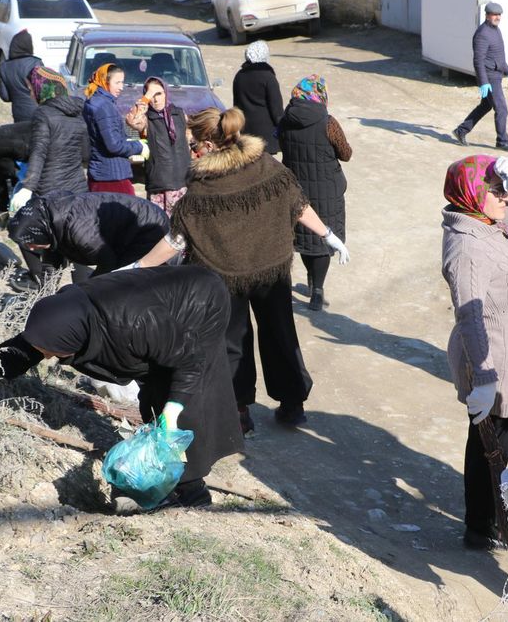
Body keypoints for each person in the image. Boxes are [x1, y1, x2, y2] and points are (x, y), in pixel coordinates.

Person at [0, 266, 244, 509]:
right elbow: (8, 357)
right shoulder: (63, 320)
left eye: (52, 352)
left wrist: (173, 412)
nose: (45, 357)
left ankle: (193, 493)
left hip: (199, 303)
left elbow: (188, 361)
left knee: (183, 403)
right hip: (158, 317)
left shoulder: (131, 324)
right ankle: (162, 480)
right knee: (154, 400)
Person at [130, 107, 350, 434]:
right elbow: (299, 205)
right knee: (280, 333)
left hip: (224, 275)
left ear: (209, 144)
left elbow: (177, 240)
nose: (191, 150)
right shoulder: (267, 166)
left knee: (232, 342)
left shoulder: (203, 189)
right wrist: (328, 235)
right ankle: (292, 404)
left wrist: (139, 265)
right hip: (271, 268)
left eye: (193, 144)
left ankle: (239, 409)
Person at [440, 154, 508, 550]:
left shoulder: (487, 222)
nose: (505, 196)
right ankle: (481, 525)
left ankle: (484, 521)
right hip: (492, 360)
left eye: (504, 188)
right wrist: (483, 377)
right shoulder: (467, 245)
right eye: (495, 189)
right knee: (489, 445)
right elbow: (470, 317)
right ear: (471, 194)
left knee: (495, 442)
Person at [278, 74, 352, 311]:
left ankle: (311, 280)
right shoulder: (328, 122)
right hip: (327, 189)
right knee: (323, 236)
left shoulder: (285, 120)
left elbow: (280, 145)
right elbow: (346, 153)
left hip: (295, 189)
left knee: (306, 235)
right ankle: (317, 289)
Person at [7, 190, 169, 285]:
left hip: (146, 226)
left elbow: (108, 265)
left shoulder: (79, 230)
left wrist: (83, 292)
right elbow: (51, 264)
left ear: (40, 233)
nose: (31, 249)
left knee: (125, 280)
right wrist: (44, 295)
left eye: (32, 244)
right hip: (119, 230)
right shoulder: (51, 223)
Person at [9, 67, 89, 214]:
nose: (31, 94)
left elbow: (39, 153)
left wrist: (27, 188)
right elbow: (85, 154)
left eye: (31, 89)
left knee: (52, 234)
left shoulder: (43, 113)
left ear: (42, 87)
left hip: (50, 190)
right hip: (78, 188)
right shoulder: (77, 112)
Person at [452, 2, 508, 153]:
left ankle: (461, 131)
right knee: (502, 109)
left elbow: (498, 56)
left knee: (486, 105)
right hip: (489, 77)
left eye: (499, 15)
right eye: (494, 15)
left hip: (496, 74)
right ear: (487, 15)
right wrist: (483, 82)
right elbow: (478, 60)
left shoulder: (496, 30)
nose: (497, 17)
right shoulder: (482, 34)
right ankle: (502, 141)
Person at [124, 77, 190, 215]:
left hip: (182, 181)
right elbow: (132, 120)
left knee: (180, 228)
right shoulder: (147, 118)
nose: (156, 99)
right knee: (159, 227)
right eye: (151, 95)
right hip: (159, 183)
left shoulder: (179, 114)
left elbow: (188, 142)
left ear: (166, 93)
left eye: (159, 93)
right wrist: (146, 97)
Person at [84, 63, 147, 195]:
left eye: (122, 82)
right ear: (105, 81)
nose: (121, 87)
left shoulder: (96, 101)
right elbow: (114, 145)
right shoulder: (104, 107)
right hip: (111, 176)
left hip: (101, 173)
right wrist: (139, 147)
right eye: (117, 82)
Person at [232, 40, 284, 154]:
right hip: (266, 135)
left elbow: (236, 106)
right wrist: (282, 127)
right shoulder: (268, 77)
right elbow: (276, 109)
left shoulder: (239, 76)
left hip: (246, 132)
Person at [0, 29, 43, 123]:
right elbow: (44, 91)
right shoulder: (36, 63)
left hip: (19, 114)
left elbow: (5, 97)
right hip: (39, 113)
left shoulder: (4, 67)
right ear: (29, 46)